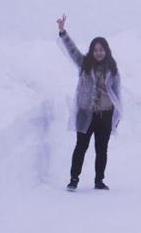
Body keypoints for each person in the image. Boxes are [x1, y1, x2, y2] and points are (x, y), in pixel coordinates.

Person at [56, 13, 123, 191]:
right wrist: (63, 32)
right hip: (86, 114)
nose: (99, 52)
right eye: (96, 50)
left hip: (105, 115)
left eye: (102, 50)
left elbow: (117, 94)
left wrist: (117, 115)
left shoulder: (113, 70)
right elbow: (72, 50)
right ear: (92, 51)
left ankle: (99, 180)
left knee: (102, 150)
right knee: (81, 147)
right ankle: (73, 179)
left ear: (106, 51)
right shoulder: (84, 63)